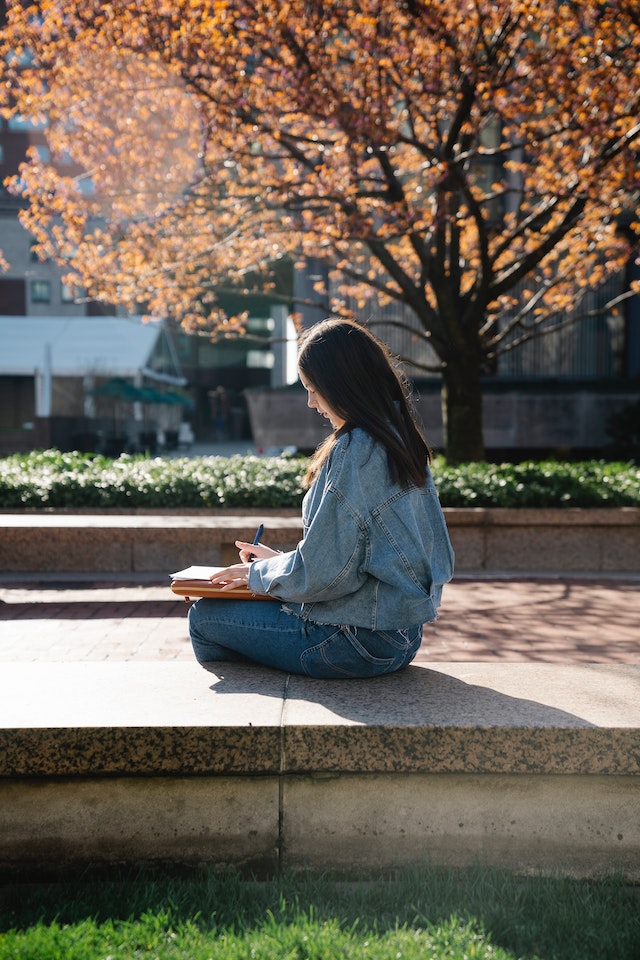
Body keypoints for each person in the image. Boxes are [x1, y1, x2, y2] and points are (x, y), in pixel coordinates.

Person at [189, 317, 454, 679]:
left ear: (343, 385)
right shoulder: (398, 438)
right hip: (403, 637)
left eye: (314, 388)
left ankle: (261, 720)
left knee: (204, 618)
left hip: (353, 641)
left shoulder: (355, 449)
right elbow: (374, 556)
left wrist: (257, 575)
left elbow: (327, 576)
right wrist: (281, 563)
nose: (311, 403)